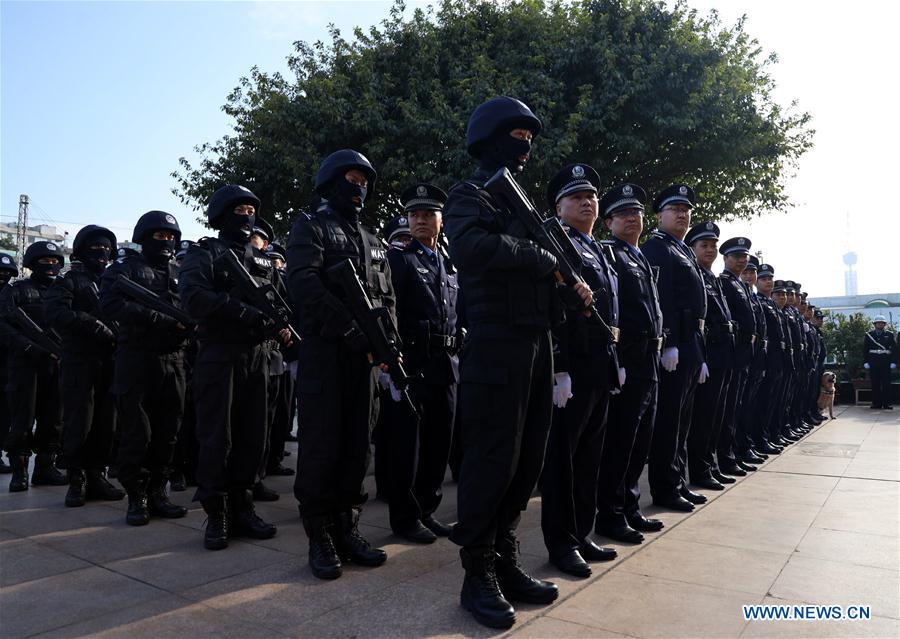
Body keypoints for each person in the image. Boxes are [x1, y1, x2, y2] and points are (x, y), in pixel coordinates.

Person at [444, 96, 590, 629]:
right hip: (495, 343)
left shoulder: (523, 201)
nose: (525, 145)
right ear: (489, 137)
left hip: (535, 342)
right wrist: (544, 259)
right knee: (492, 460)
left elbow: (541, 277)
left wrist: (569, 292)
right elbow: (469, 248)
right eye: (516, 135)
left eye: (530, 138)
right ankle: (476, 572)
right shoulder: (471, 195)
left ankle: (504, 559)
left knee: (528, 459)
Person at [286, 149, 392, 579]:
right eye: (352, 178)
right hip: (327, 354)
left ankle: (347, 528)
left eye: (365, 180)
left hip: (364, 359)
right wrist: (349, 329)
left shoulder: (371, 238)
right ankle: (321, 537)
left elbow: (386, 300)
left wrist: (391, 345)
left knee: (356, 447)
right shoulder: (310, 228)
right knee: (322, 447)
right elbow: (304, 284)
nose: (360, 186)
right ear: (331, 181)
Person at [179, 186, 286, 549]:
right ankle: (217, 513)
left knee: (252, 435)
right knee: (217, 437)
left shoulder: (260, 259)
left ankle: (243, 506)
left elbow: (277, 299)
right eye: (239, 209)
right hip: (219, 354)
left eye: (251, 209)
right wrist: (240, 310)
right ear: (223, 214)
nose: (247, 215)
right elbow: (193, 297)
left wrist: (279, 324)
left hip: (257, 356)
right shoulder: (204, 253)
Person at [540, 164, 619, 578]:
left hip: (600, 363)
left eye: (590, 195)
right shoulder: (556, 241)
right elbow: (554, 308)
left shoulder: (596, 247)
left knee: (590, 458)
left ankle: (582, 532)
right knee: (563, 462)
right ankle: (561, 542)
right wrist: (560, 369)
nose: (587, 201)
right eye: (576, 197)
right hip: (573, 365)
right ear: (558, 207)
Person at [100, 211, 188, 525]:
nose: (165, 241)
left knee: (168, 432)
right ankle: (136, 496)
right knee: (138, 432)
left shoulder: (181, 271)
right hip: (136, 358)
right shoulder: (123, 271)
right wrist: (156, 318)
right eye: (159, 235)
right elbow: (110, 304)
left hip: (173, 360)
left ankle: (158, 493)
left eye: (170, 236)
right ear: (143, 237)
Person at [384, 182, 459, 544]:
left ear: (441, 220)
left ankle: (427, 510)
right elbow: (389, 310)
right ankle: (405, 517)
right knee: (407, 448)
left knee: (438, 444)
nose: (420, 221)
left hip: (445, 365)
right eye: (415, 214)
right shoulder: (400, 258)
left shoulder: (447, 262)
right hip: (413, 364)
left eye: (428, 214)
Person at [595, 183, 665, 544]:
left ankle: (630, 507)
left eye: (635, 212)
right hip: (629, 360)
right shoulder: (610, 254)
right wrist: (617, 359)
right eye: (622, 214)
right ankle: (610, 514)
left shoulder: (638, 257)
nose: (631, 219)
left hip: (649, 360)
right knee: (620, 442)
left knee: (640, 442)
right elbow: (611, 309)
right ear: (608, 222)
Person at [44, 224, 125, 507]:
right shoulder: (69, 281)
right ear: (81, 250)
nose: (101, 252)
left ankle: (97, 475)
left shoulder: (113, 283)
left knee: (106, 423)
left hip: (110, 361)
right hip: (80, 361)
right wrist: (91, 324)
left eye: (106, 247)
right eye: (95, 247)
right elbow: (55, 313)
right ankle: (77, 480)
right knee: (80, 421)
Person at [641, 185, 707, 512]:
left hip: (691, 344)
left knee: (683, 420)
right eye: (674, 209)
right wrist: (668, 342)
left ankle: (678, 481)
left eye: (686, 209)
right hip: (675, 346)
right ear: (659, 215)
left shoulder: (681, 249)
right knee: (668, 421)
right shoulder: (658, 248)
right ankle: (665, 488)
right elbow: (660, 299)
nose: (682, 214)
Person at [0, 241, 67, 492]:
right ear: (31, 263)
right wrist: (27, 346)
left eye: (55, 262)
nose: (50, 266)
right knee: (22, 418)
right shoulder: (16, 291)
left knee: (53, 419)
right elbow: (3, 325)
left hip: (56, 364)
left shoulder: (62, 291)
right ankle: (19, 470)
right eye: (44, 261)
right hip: (25, 365)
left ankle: (45, 467)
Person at [683, 222, 735, 492]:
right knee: (703, 417)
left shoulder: (711, 277)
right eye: (704, 245)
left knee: (716, 414)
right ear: (692, 249)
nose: (710, 250)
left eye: (713, 245)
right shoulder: (697, 275)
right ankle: (701, 470)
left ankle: (711, 465)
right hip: (707, 352)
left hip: (722, 353)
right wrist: (700, 356)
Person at [716, 237, 759, 475]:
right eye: (737, 257)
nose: (742, 261)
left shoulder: (740, 285)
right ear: (726, 259)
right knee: (728, 410)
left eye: (744, 257)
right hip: (732, 352)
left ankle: (733, 454)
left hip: (744, 353)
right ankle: (726, 458)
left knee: (737, 407)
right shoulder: (724, 282)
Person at [752, 264, 787, 454]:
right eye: (764, 278)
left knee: (772, 401)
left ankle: (767, 436)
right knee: (762, 402)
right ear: (757, 282)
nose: (768, 281)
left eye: (770, 278)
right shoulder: (759, 301)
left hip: (776, 359)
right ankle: (760, 439)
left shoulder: (771, 304)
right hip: (765, 357)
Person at [0, 253, 19, 475]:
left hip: (7, 363)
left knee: (4, 412)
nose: (3, 276)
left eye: (7, 273)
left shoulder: (12, 297)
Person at [863, 315, 896, 409]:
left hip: (886, 362)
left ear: (884, 324)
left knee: (886, 384)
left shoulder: (889, 334)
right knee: (875, 383)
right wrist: (865, 361)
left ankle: (887, 403)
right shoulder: (869, 334)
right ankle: (876, 403)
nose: (880, 324)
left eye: (882, 323)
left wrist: (893, 362)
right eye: (878, 323)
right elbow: (865, 349)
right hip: (873, 362)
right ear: (875, 324)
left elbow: (894, 349)